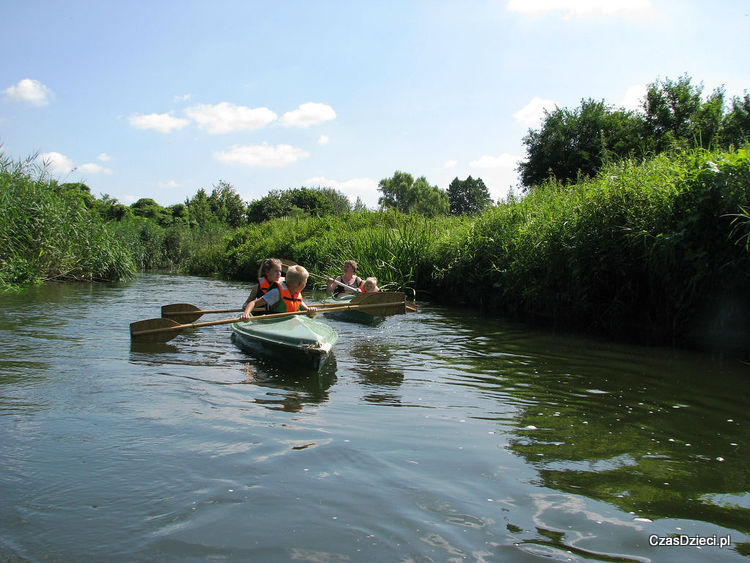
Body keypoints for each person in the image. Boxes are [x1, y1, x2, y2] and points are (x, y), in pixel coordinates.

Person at [241, 265, 317, 320]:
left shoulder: (296, 295)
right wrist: (246, 313)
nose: (305, 285)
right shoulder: (276, 293)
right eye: (305, 283)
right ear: (300, 284)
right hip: (274, 322)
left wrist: (311, 312)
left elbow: (309, 314)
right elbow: (253, 303)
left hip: (290, 323)